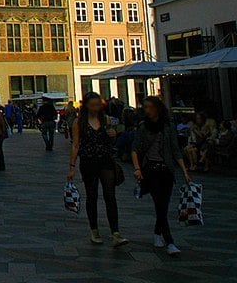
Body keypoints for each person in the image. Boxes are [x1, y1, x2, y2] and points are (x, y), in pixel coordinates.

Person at [132, 96, 191, 257]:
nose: (147, 110)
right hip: (151, 171)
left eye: (150, 107)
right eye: (145, 107)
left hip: (167, 170)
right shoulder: (143, 127)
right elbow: (135, 148)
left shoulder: (168, 126)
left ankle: (157, 233)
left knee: (163, 205)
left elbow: (175, 149)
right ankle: (170, 242)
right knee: (159, 204)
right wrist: (137, 168)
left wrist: (184, 170)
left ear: (157, 108)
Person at [68, 92, 128, 247]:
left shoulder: (105, 119)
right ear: (86, 105)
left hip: (105, 160)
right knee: (92, 195)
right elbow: (75, 144)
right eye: (93, 105)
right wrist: (72, 167)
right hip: (88, 161)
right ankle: (94, 230)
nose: (96, 108)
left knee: (110, 195)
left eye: (98, 105)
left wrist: (113, 135)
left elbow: (110, 140)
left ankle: (116, 233)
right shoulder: (78, 122)